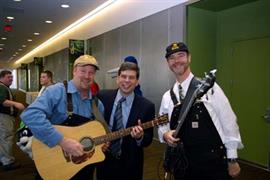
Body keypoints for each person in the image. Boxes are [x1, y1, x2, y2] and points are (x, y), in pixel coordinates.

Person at [158, 42, 243, 179]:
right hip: (183, 167)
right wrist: (165, 135)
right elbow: (162, 126)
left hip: (212, 165)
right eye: (172, 58)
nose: (177, 61)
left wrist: (232, 159)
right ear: (168, 62)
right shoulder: (167, 97)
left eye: (181, 55)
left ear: (189, 58)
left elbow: (229, 122)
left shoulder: (210, 88)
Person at [20, 55, 104, 179]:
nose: (87, 76)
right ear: (74, 71)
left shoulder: (97, 104)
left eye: (91, 72)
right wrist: (62, 141)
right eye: (83, 71)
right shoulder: (57, 91)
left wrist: (102, 143)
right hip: (54, 164)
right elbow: (30, 115)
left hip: (84, 167)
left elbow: (98, 133)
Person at [96, 62, 155, 180]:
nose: (127, 80)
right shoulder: (102, 97)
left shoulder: (147, 106)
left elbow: (148, 139)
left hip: (131, 165)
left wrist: (140, 137)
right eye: (123, 76)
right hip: (104, 160)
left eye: (131, 77)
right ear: (117, 79)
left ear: (137, 82)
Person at [0, 70, 25, 171]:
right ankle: (7, 161)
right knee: (7, 137)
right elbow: (2, 100)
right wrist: (15, 104)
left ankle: (2, 158)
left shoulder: (4, 87)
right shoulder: (1, 87)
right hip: (4, 117)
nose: (11, 79)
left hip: (4, 117)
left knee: (2, 138)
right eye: (8, 77)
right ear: (1, 78)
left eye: (12, 77)